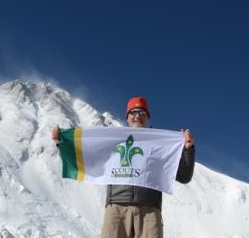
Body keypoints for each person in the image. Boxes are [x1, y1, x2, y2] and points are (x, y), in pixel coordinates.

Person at [52, 97, 195, 238]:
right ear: (127, 117)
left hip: (149, 210)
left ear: (148, 118)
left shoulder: (160, 145)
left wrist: (188, 149)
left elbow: (184, 176)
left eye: (142, 113)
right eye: (133, 112)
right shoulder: (113, 141)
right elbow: (88, 155)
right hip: (116, 208)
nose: (137, 116)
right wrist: (63, 142)